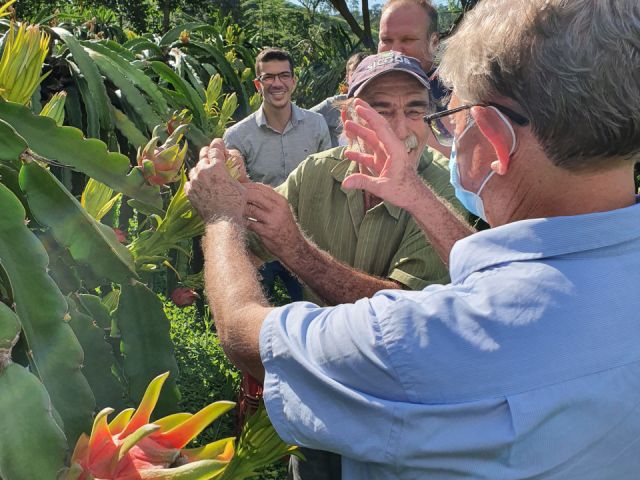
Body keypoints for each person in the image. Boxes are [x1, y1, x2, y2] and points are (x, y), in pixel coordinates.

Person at [186, 1, 640, 478]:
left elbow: (243, 333)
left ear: (494, 138)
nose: (407, 129)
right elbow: (493, 274)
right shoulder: (324, 174)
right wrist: (416, 196)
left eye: (449, 112)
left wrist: (219, 217)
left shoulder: (417, 340)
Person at [241, 51, 471, 479]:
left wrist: (296, 251)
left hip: (400, 409)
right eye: (380, 111)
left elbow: (401, 317)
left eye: (413, 110)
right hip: (320, 396)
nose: (398, 129)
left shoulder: (443, 192)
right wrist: (232, 195)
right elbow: (252, 240)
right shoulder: (314, 173)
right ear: (348, 117)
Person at [224, 47, 331, 302]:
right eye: (268, 77)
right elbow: (234, 192)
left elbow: (328, 179)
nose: (277, 83)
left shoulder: (316, 125)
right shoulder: (237, 135)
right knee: (255, 309)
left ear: (293, 81)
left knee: (316, 308)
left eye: (283, 76)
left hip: (307, 236)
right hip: (261, 239)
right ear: (257, 84)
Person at [378, 0, 449, 104]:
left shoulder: (459, 100)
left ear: (434, 42)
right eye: (386, 40)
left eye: (407, 39)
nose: (395, 51)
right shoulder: (366, 96)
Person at [310, 52, 367, 147]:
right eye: (355, 74)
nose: (359, 78)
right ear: (347, 77)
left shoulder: (385, 104)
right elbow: (304, 121)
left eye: (364, 73)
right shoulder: (333, 104)